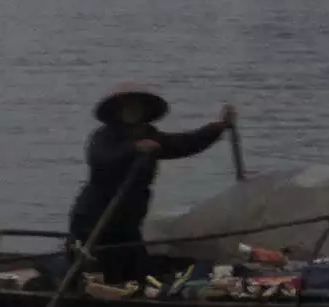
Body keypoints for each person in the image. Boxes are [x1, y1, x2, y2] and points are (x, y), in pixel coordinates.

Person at [68, 83, 236, 284]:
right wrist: (133, 148)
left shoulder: (149, 135)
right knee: (99, 271)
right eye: (127, 107)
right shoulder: (104, 136)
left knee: (137, 273)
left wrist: (218, 127)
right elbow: (100, 159)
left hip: (128, 220)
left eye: (137, 107)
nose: (133, 111)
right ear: (117, 111)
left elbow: (185, 143)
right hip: (95, 220)